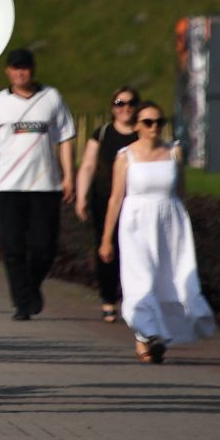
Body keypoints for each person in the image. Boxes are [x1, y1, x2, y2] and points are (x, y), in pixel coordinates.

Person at [99, 102, 215, 363]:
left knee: (169, 279)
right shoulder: (125, 156)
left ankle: (153, 336)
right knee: (141, 279)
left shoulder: (173, 152)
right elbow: (116, 198)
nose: (154, 127)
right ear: (138, 126)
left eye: (159, 122)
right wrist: (106, 239)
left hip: (170, 223)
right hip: (136, 224)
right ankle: (148, 334)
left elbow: (181, 192)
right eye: (148, 122)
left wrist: (188, 226)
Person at [0, 48, 77, 320]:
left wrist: (68, 175)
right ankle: (22, 303)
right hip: (8, 185)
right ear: (7, 71)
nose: (20, 73)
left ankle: (30, 288)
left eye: (25, 67)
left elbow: (66, 137)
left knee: (45, 247)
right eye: (15, 68)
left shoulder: (52, 97)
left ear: (33, 69)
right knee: (13, 247)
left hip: (45, 184)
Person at [77, 86, 142, 321]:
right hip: (104, 198)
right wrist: (81, 196)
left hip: (135, 199)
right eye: (119, 103)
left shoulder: (143, 133)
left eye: (130, 103)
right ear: (112, 108)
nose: (125, 108)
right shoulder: (102, 133)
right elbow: (87, 166)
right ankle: (107, 298)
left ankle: (131, 296)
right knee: (106, 247)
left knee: (133, 248)